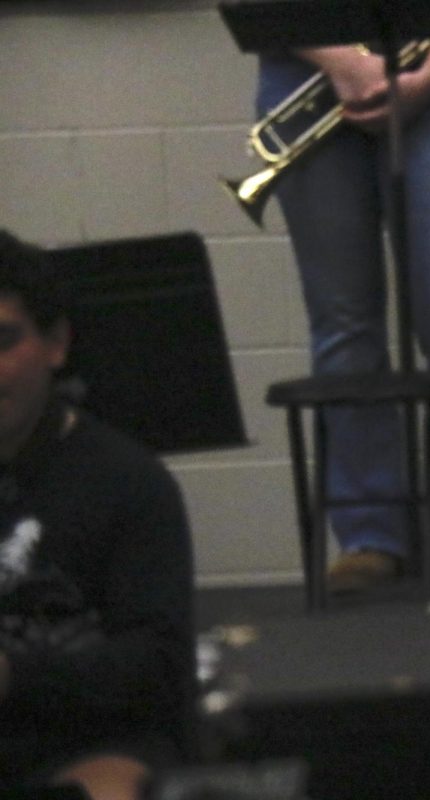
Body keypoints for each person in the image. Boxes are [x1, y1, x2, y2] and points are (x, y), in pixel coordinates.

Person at [256, 37, 430, 592]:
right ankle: (371, 536)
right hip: (304, 71)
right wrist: (342, 62)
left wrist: (427, 77)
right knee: (343, 321)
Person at [0, 230, 195, 799]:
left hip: (84, 745)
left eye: (3, 341)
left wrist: (14, 676)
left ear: (56, 343)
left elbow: (159, 667)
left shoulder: (129, 483)